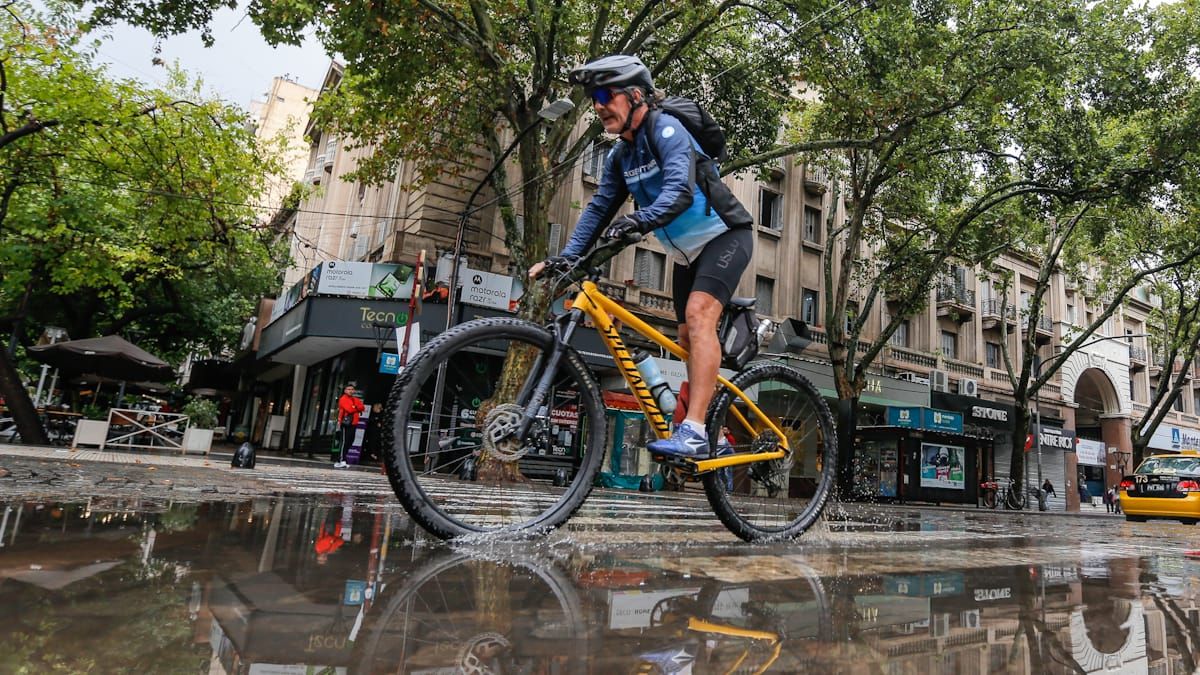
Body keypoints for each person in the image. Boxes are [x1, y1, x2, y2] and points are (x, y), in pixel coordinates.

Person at [529, 54, 754, 459]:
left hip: (725, 236)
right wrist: (567, 257)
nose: (598, 106)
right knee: (685, 337)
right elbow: (599, 208)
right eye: (593, 99)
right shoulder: (621, 156)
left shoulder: (666, 129)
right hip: (686, 256)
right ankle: (713, 424)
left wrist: (639, 219)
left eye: (604, 96)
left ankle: (695, 431)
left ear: (635, 96)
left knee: (699, 316)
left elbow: (679, 191)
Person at [335, 384, 364, 469]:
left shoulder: (355, 399)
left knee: (350, 441)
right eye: (349, 389)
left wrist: (355, 407)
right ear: (345, 390)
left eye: (352, 389)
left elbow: (362, 407)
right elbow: (349, 409)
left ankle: (340, 460)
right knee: (345, 441)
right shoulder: (343, 399)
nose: (351, 391)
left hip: (354, 423)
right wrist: (356, 407)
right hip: (345, 423)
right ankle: (342, 460)